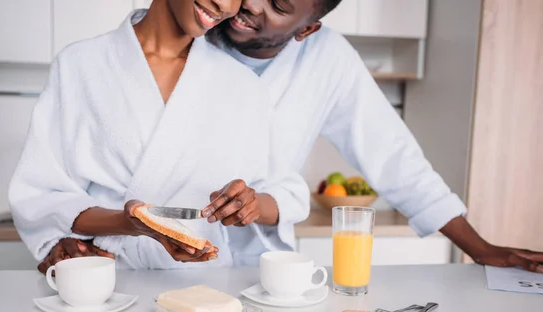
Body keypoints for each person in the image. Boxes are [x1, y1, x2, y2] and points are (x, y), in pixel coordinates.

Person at [42, 0, 543, 274]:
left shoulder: (327, 61)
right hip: (124, 260)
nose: (248, 5)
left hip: (251, 269)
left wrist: (479, 247)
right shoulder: (188, 31)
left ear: (307, 30)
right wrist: (70, 233)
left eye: (278, 5)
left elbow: (395, 157)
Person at [9, 0, 310, 273]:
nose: (225, 5)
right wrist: (129, 224)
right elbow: (43, 196)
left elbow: (285, 192)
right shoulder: (81, 64)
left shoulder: (242, 86)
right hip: (107, 276)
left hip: (205, 283)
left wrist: (249, 203)